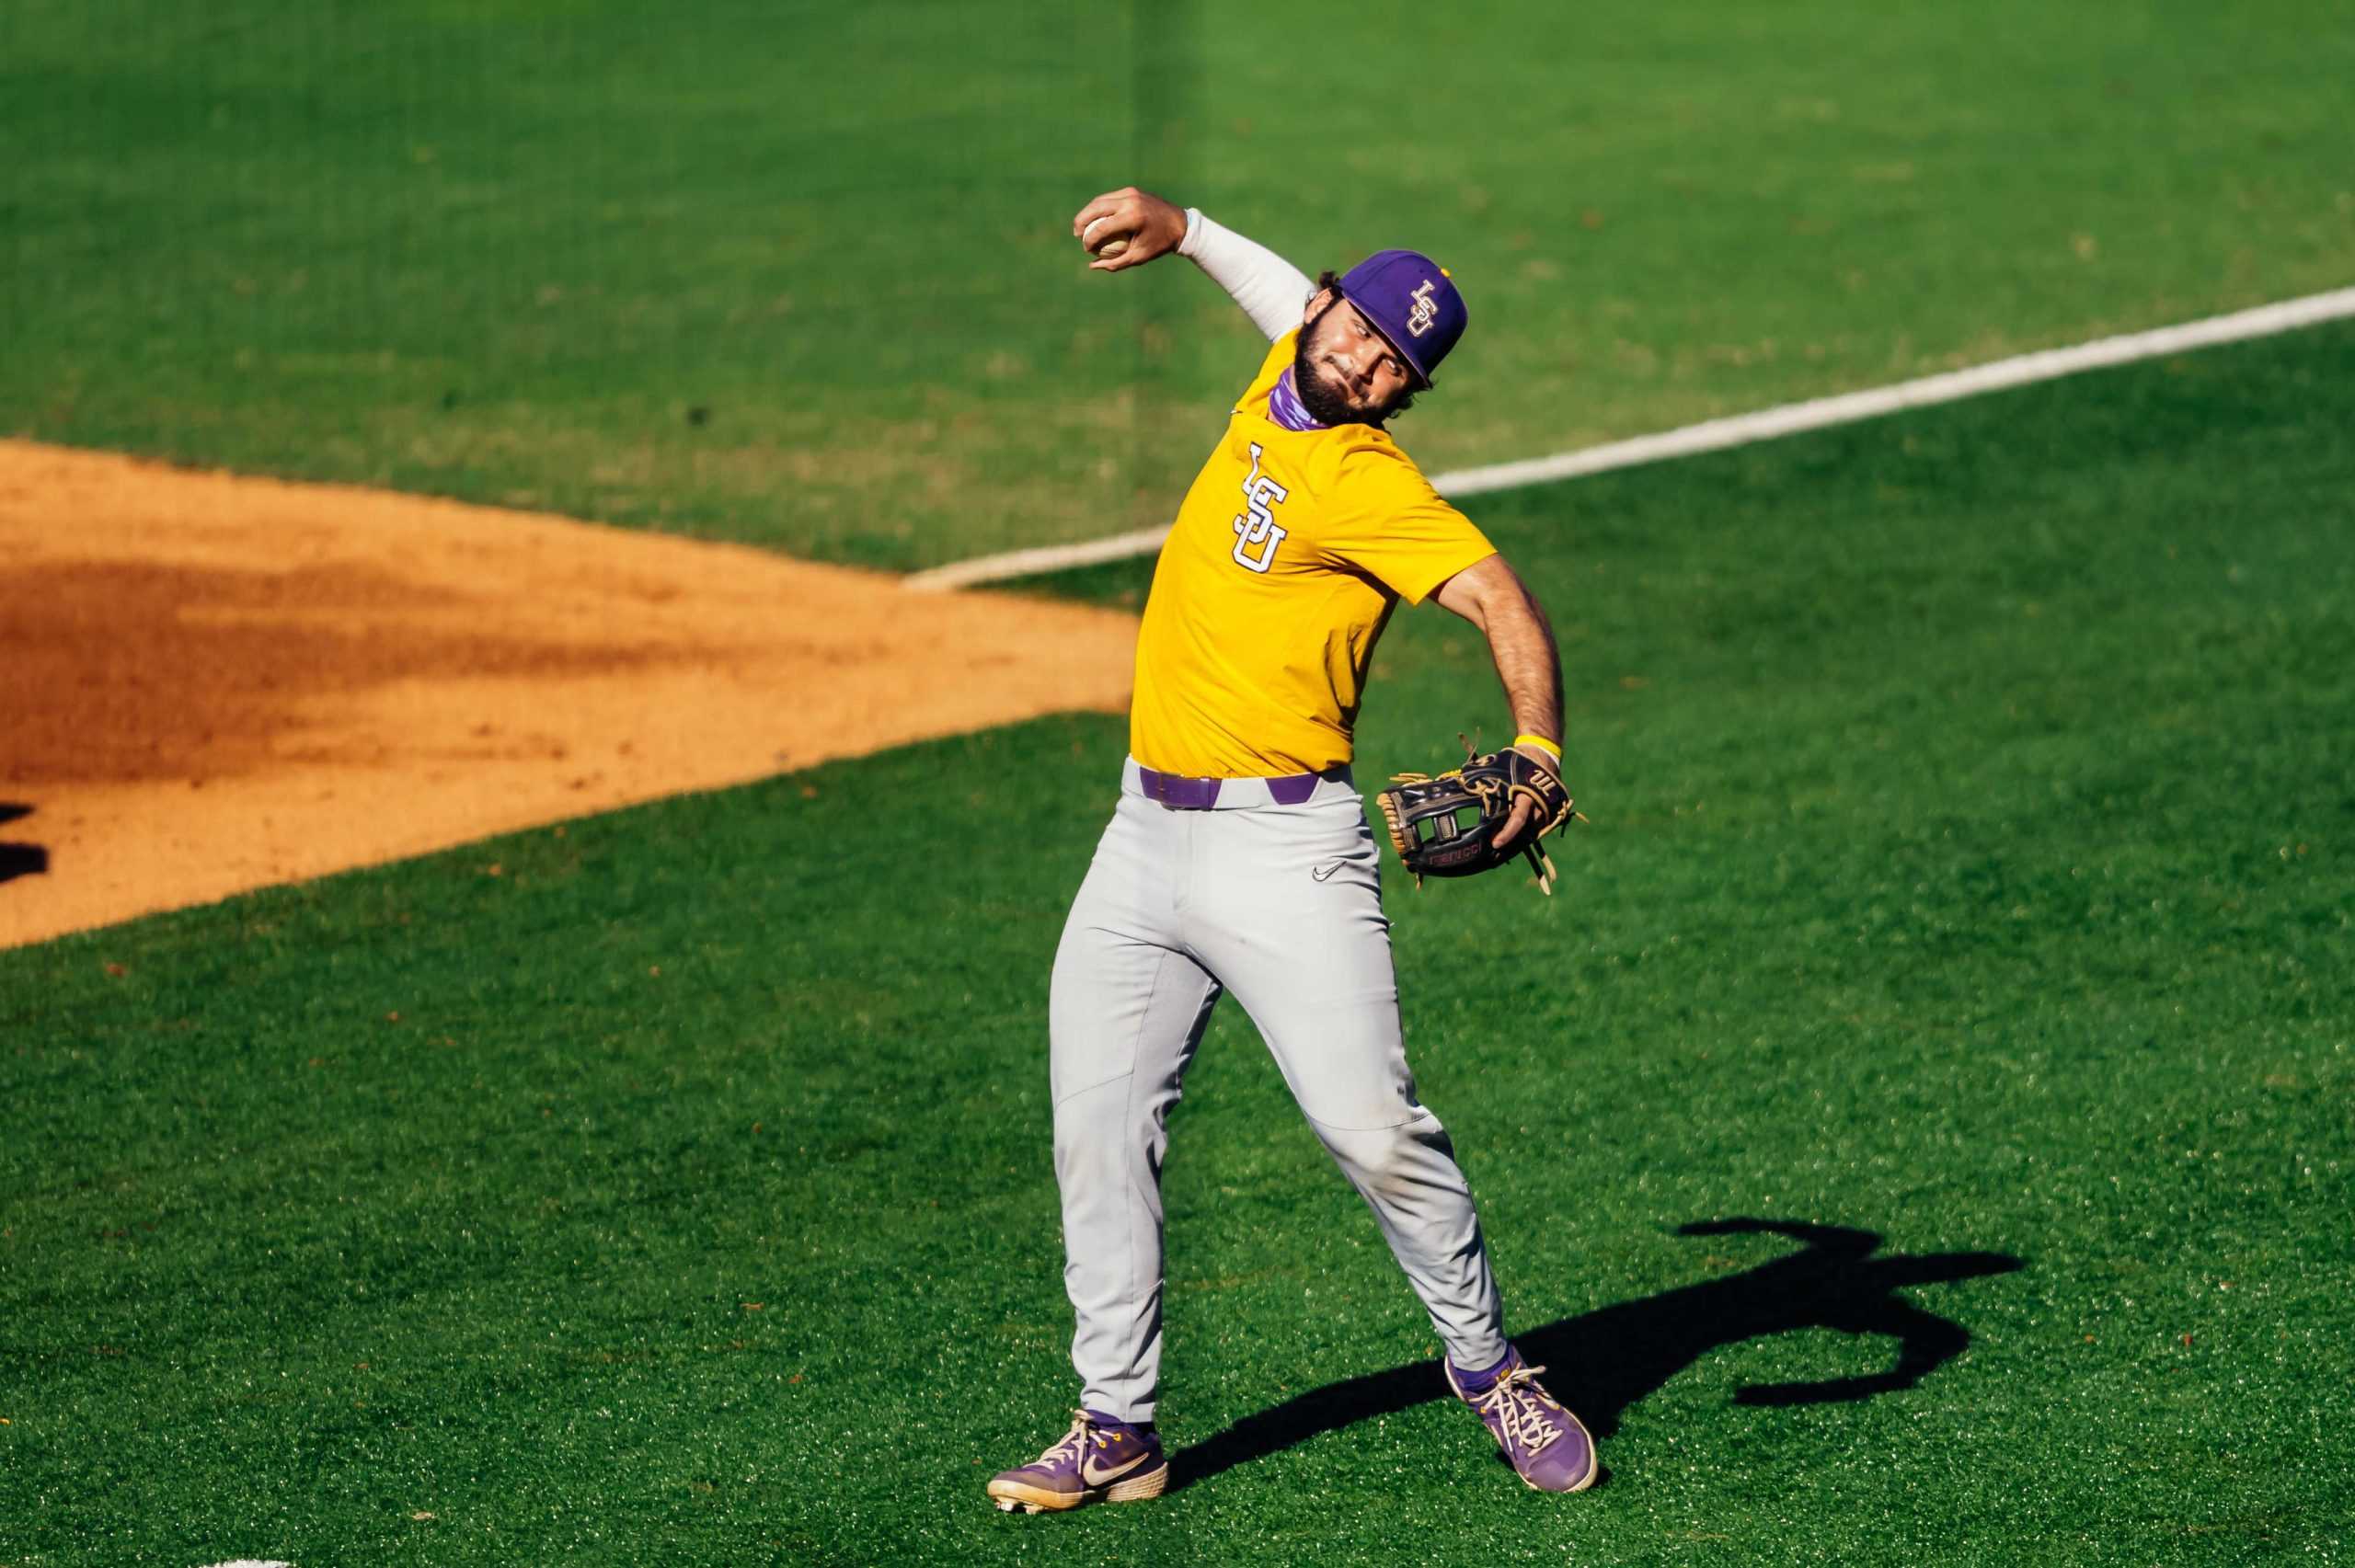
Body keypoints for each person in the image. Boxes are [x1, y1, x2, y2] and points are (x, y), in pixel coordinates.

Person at [986, 187, 1595, 1513]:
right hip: (1140, 838)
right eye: (1365, 333)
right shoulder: (1288, 363)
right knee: (1097, 1127)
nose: (1371, 366)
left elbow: (1497, 592)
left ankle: (1492, 1368)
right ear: (1328, 305)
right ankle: (1117, 1424)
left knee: (1375, 1128)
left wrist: (1536, 750)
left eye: (1398, 366)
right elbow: (1272, 297)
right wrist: (1184, 225)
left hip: (1287, 853)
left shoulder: (1366, 479)